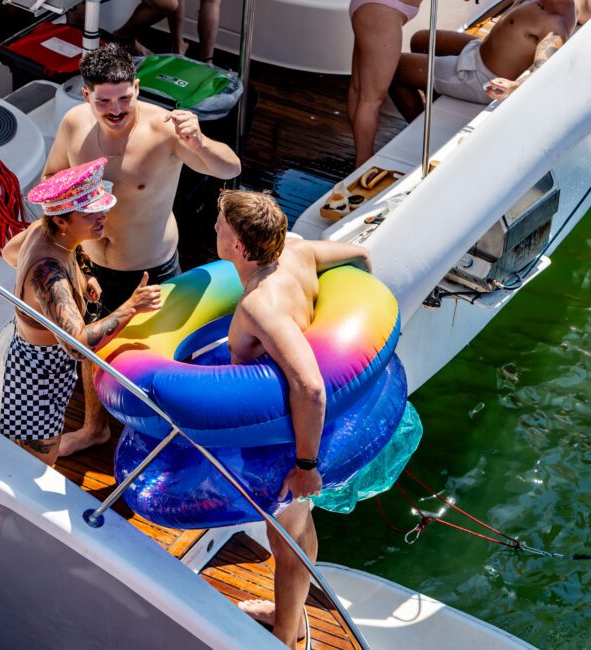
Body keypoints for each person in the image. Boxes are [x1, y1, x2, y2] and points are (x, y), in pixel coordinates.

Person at [43, 42, 241, 457]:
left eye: (124, 98)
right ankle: (94, 428)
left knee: (159, 358)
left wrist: (200, 141)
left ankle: (167, 442)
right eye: (104, 101)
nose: (116, 109)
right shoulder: (74, 124)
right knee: (89, 348)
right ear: (86, 95)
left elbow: (229, 168)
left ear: (137, 87)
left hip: (150, 268)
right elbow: (52, 177)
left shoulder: (166, 129)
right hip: (91, 262)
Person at [215, 190, 371, 649]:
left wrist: (305, 467)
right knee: (298, 532)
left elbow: (310, 387)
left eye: (221, 225)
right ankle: (288, 613)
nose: (216, 229)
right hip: (293, 428)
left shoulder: (261, 305)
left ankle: (283, 636)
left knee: (286, 539)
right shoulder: (298, 250)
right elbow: (361, 256)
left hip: (284, 438)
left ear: (241, 246)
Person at [0, 158, 162, 466]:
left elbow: (10, 253)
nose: (103, 216)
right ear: (63, 220)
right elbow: (76, 347)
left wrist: (81, 277)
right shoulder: (49, 274)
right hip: (39, 376)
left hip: (33, 357)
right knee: (36, 463)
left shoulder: (44, 230)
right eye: (92, 212)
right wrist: (132, 306)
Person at [389, 0, 576, 122]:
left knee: (392, 69)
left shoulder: (555, 25)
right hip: (479, 50)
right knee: (420, 40)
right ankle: (438, 97)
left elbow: (543, 74)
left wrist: (513, 86)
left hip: (479, 77)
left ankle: (419, 123)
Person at [348, 0, 423, 167]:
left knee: (359, 89)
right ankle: (363, 162)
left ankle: (361, 157)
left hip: (374, 8)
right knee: (371, 99)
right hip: (382, 11)